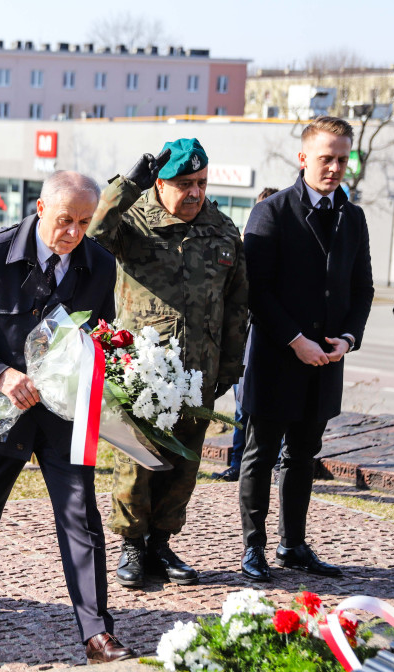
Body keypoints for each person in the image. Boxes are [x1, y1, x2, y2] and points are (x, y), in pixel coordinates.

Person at [0, 171, 135, 664]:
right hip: (2, 405)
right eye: (64, 220)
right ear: (41, 209)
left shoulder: (100, 264)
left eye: (84, 223)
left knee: (80, 513)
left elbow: (102, 336)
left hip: (64, 415)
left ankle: (96, 632)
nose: (73, 232)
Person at [87, 139, 248, 590]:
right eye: (184, 184)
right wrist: (125, 186)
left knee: (184, 466)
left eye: (201, 183)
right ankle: (132, 545)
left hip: (199, 371)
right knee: (138, 461)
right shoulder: (133, 221)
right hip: (143, 371)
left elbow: (237, 304)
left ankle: (161, 541)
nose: (195, 193)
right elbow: (91, 234)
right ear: (160, 182)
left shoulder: (222, 229)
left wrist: (229, 367)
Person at [239, 116, 374, 581]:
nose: (335, 168)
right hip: (279, 356)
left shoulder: (353, 217)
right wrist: (296, 340)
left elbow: (362, 287)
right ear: (303, 158)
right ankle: (253, 548)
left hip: (326, 362)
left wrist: (348, 339)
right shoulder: (273, 211)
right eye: (326, 158)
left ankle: (293, 545)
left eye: (343, 158)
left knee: (302, 457)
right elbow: (257, 290)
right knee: (261, 454)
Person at [213, 186, 280, 482]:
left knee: (273, 409)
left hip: (274, 339)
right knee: (242, 407)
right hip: (244, 338)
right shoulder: (242, 250)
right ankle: (239, 463)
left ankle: (275, 463)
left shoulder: (284, 254)